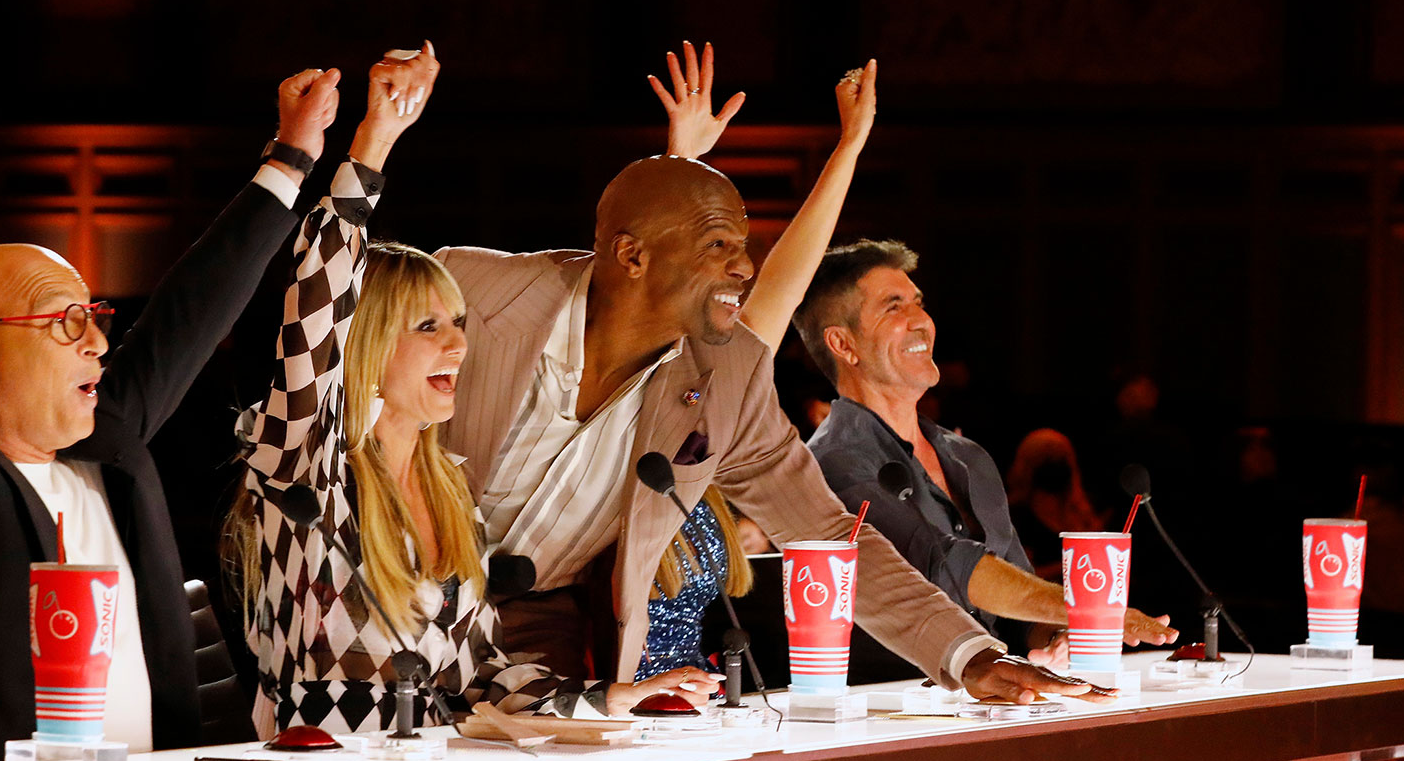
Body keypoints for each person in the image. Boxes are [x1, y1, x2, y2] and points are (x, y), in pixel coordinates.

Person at [433, 117, 1093, 706]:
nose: (745, 266)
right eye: (719, 245)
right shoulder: (469, 290)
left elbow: (827, 531)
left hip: (532, 633)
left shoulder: (728, 375)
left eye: (743, 245)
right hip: (384, 603)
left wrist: (968, 655)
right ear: (632, 256)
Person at [0, 70, 340, 761]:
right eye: (65, 322)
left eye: (93, 318)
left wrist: (291, 156)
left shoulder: (106, 440)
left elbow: (186, 317)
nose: (97, 343)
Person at [228, 46, 719, 735]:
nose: (459, 344)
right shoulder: (306, 458)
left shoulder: (451, 489)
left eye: (459, 323)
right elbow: (318, 294)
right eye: (428, 326)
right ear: (363, 345)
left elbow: (481, 675)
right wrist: (376, 136)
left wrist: (608, 696)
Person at [795, 240, 1175, 679]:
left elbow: (1019, 599)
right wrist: (1088, 608)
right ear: (843, 343)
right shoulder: (833, 464)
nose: (921, 321)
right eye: (893, 307)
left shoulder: (968, 456)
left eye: (919, 303)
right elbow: (942, 563)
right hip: (885, 709)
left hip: (993, 702)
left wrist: (1051, 638)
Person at [637, 45, 876, 680]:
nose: (739, 280)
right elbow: (629, 279)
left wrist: (847, 149)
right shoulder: (620, 394)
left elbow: (787, 282)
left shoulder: (718, 397)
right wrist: (679, 162)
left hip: (697, 706)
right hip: (601, 715)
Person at [1006, 427, 1105, 580]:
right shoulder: (1015, 519)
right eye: (1047, 457)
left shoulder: (1084, 512)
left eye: (1060, 456)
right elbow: (1018, 576)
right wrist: (1072, 564)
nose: (1054, 463)